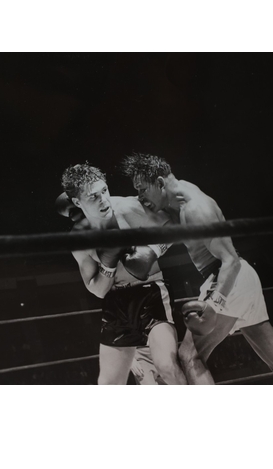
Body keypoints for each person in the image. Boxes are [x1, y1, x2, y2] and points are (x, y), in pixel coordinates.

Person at [122, 153, 273, 385]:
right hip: (242, 280)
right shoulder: (179, 197)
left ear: (160, 182)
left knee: (190, 356)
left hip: (228, 278)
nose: (140, 196)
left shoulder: (196, 208)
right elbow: (140, 208)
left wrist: (215, 304)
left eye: (142, 189)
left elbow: (230, 261)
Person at [59, 163, 188, 385]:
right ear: (78, 202)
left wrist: (153, 250)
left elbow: (175, 221)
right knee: (108, 385)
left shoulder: (129, 208)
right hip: (116, 303)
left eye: (104, 191)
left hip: (151, 293)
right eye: (94, 197)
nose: (104, 200)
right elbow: (98, 290)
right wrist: (108, 264)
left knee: (166, 366)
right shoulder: (79, 240)